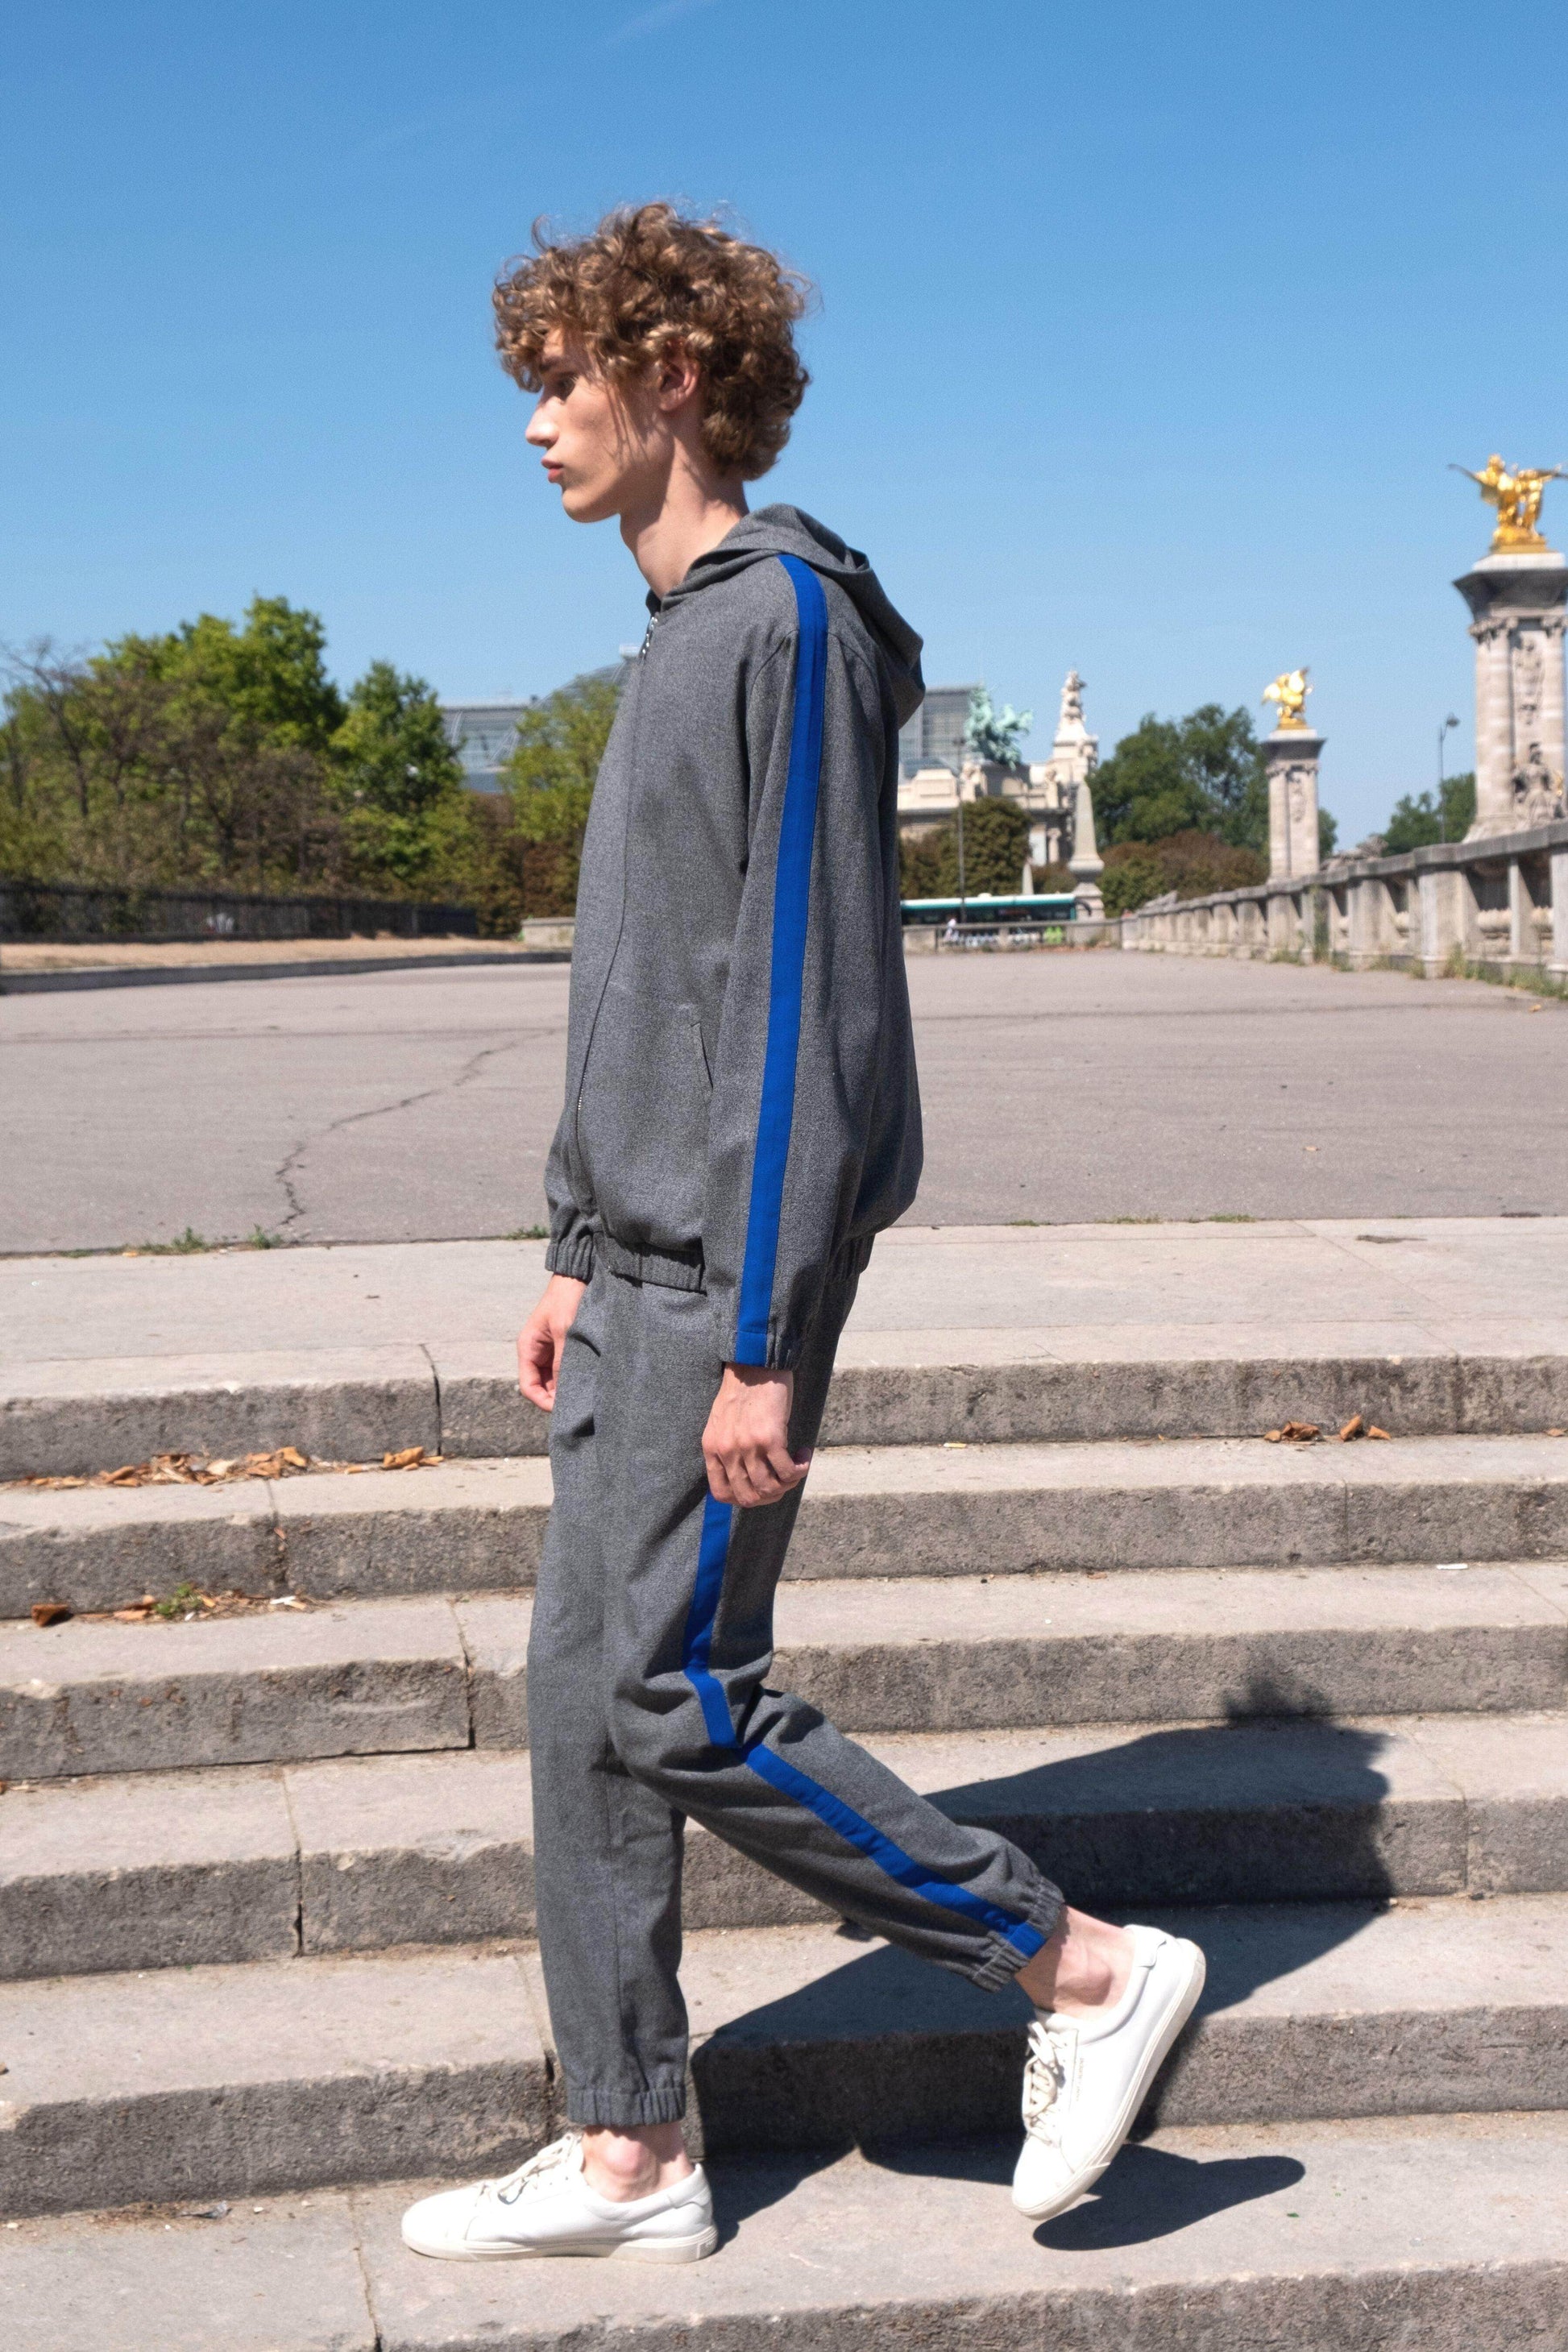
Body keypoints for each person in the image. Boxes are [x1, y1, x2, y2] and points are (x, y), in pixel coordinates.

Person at [401, 202, 1203, 2269]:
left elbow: (798, 1002)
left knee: (672, 1686)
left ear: (671, 376)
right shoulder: (679, 629)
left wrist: (760, 1328)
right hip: (636, 1261)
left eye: (562, 381)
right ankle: (630, 2147)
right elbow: (645, 979)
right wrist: (571, 1232)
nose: (535, 424)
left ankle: (1080, 1965)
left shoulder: (784, 623)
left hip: (723, 1279)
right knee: (581, 1692)